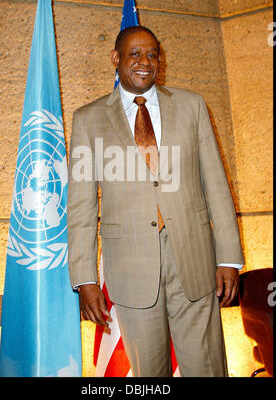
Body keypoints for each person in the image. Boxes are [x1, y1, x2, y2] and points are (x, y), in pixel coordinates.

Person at [67, 26, 244, 377]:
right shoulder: (88, 119)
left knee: (207, 367)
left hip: (194, 259)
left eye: (152, 54)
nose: (144, 61)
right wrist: (85, 277)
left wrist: (229, 258)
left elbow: (216, 185)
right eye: (134, 53)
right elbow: (81, 206)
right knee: (150, 373)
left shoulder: (192, 106)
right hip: (131, 268)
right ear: (115, 59)